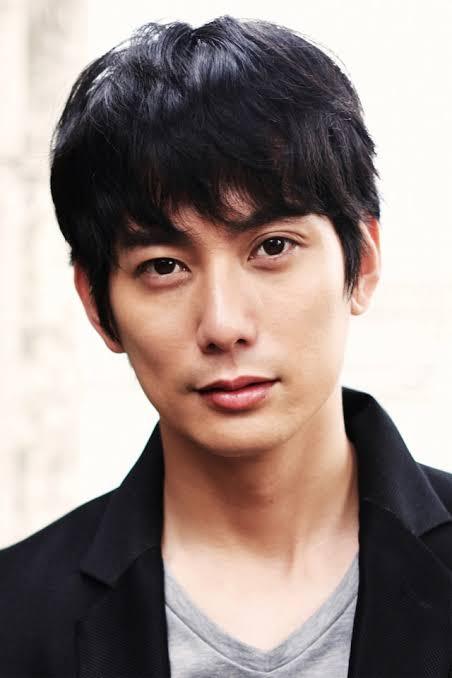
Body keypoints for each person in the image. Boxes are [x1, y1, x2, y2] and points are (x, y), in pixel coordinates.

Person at [1, 15, 451, 678]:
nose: (223, 324)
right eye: (163, 266)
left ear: (363, 262)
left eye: (272, 247)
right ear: (97, 305)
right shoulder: (15, 620)